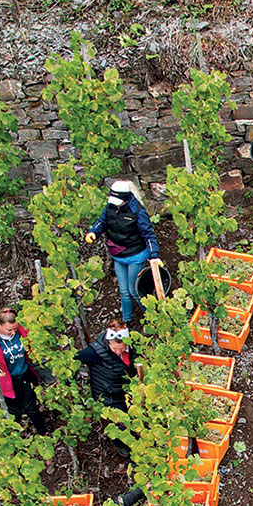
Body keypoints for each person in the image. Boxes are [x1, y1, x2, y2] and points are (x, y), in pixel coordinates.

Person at [84, 180, 162, 326]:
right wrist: (94, 231)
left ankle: (151, 318)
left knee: (134, 290)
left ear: (126, 198)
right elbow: (102, 221)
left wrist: (154, 255)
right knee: (124, 291)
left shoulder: (137, 212)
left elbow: (148, 235)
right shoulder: (110, 208)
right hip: (118, 255)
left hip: (135, 256)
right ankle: (127, 320)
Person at [0, 307, 51, 433]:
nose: (13, 332)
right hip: (6, 381)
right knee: (14, 411)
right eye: (9, 330)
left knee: (31, 407)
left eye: (15, 329)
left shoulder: (20, 330)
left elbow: (31, 343)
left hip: (24, 375)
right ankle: (15, 437)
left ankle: (44, 433)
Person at [75, 320, 137, 455]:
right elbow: (73, 358)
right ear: (108, 342)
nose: (118, 352)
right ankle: (123, 448)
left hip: (127, 392)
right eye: (114, 348)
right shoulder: (95, 351)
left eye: (122, 349)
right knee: (121, 426)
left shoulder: (134, 344)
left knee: (136, 421)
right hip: (108, 396)